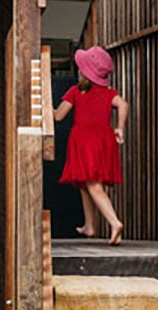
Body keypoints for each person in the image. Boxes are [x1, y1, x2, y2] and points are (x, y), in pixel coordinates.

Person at [55, 46, 128, 245]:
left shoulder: (76, 92)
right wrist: (119, 127)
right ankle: (90, 225)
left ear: (84, 72)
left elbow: (59, 116)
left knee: (93, 185)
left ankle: (114, 222)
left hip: (84, 141)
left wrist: (46, 107)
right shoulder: (108, 93)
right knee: (85, 183)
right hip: (103, 140)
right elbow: (123, 104)